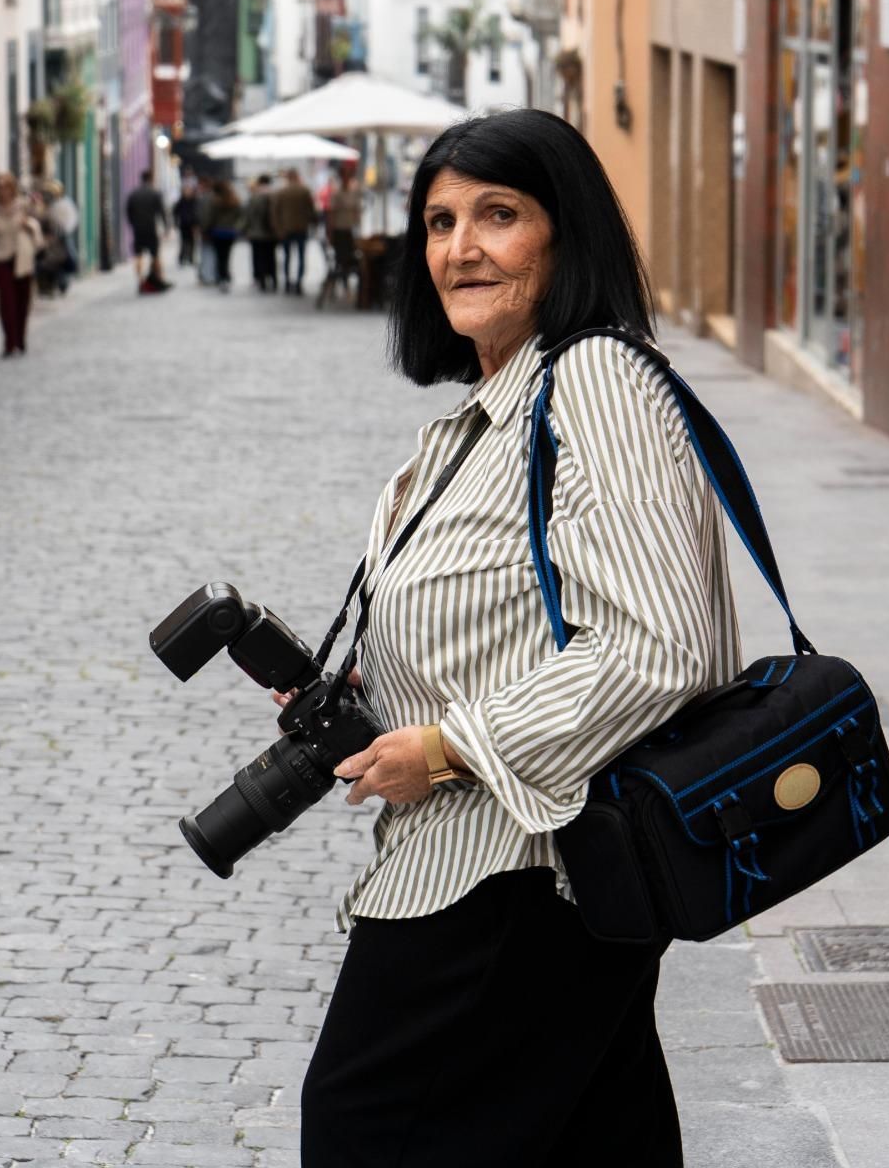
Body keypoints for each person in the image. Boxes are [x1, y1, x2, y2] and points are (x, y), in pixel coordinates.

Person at [297, 109, 742, 1167]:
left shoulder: (594, 383)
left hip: (515, 872)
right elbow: (514, 614)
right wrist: (381, 690)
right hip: (528, 878)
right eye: (439, 219)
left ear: (565, 231)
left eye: (498, 214)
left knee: (366, 1127)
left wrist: (443, 747)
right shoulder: (494, 409)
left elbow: (657, 640)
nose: (459, 247)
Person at [0, 172, 43, 357]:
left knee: (23, 300)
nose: (3, 191)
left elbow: (37, 218)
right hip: (1, 256)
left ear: (12, 188)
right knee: (6, 301)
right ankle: (9, 341)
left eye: (6, 186)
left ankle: (21, 338)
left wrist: (33, 213)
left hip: (23, 255)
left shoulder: (24, 205)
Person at [271, 167, 316, 294]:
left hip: (286, 228)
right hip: (301, 227)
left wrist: (278, 228)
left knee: (287, 257)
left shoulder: (281, 192)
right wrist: (313, 222)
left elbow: (275, 212)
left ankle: (286, 281)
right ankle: (299, 282)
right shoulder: (304, 191)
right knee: (301, 256)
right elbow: (311, 210)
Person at [126, 169, 169, 285]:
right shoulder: (155, 193)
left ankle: (140, 281)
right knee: (155, 255)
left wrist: (133, 224)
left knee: (138, 255)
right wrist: (166, 228)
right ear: (151, 179)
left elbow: (128, 212)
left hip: (138, 229)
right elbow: (162, 212)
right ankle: (159, 279)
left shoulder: (133, 194)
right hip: (151, 228)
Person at [203, 178, 242, 292]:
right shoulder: (234, 200)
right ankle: (227, 276)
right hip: (230, 232)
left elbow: (209, 218)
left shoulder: (214, 201)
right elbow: (240, 215)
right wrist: (237, 228)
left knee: (220, 257)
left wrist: (206, 229)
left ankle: (222, 278)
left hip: (218, 232)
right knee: (227, 256)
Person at [243, 175, 278, 293]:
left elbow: (249, 215)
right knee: (271, 256)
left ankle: (261, 280)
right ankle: (274, 279)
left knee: (258, 257)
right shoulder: (275, 195)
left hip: (256, 233)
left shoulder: (255, 196)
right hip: (272, 233)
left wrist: (246, 229)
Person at [173, 179, 199, 268]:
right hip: (183, 224)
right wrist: (176, 222)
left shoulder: (194, 201)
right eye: (186, 190)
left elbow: (197, 213)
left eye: (189, 190)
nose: (187, 192)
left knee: (192, 242)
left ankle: (191, 258)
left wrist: (196, 224)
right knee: (184, 242)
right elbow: (175, 212)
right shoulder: (181, 201)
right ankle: (182, 258)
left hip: (192, 225)